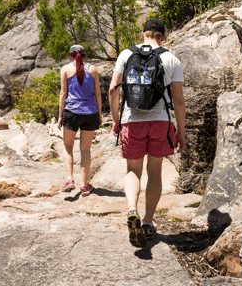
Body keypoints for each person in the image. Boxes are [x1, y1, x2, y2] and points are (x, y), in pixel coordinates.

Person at [108, 19, 186, 248]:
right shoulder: (171, 59)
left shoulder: (126, 55)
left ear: (142, 34)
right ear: (164, 37)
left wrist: (116, 120)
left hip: (132, 121)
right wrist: (180, 132)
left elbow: (113, 90)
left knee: (133, 170)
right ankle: (148, 222)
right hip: (161, 121)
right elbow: (179, 101)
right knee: (155, 171)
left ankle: (132, 209)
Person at [58, 45, 102, 197]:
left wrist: (60, 116)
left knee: (67, 146)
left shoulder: (65, 69)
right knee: (85, 149)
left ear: (70, 55)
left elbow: (63, 94)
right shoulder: (93, 70)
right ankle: (84, 185)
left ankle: (69, 179)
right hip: (91, 112)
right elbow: (98, 94)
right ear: (84, 55)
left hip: (72, 112)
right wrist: (99, 114)